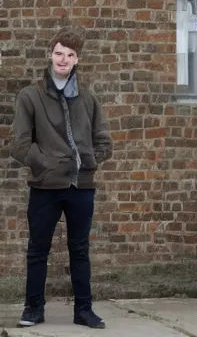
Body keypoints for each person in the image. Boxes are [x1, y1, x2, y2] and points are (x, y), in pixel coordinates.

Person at [13, 30, 112, 329]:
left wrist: (90, 162)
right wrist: (45, 165)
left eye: (70, 55)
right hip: (45, 186)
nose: (63, 60)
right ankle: (33, 308)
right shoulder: (30, 96)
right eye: (59, 53)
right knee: (37, 249)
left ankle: (84, 310)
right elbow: (18, 144)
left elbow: (103, 140)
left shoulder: (88, 97)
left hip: (81, 186)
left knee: (80, 249)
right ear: (50, 54)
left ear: (77, 59)